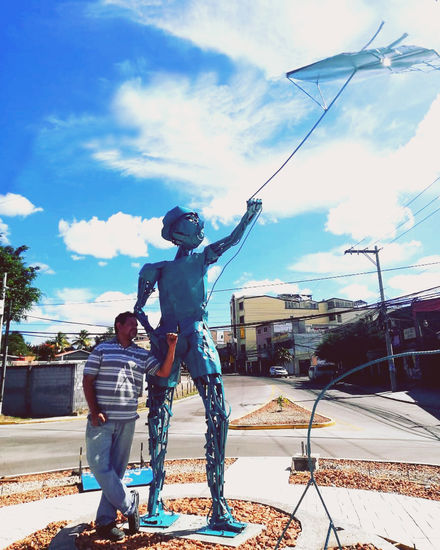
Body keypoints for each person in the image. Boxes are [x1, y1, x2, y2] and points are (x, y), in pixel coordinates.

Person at [134, 199, 262, 533]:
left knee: (218, 413)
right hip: (170, 337)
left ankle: (218, 505)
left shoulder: (199, 258)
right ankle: (154, 501)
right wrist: (150, 329)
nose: (200, 226)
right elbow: (138, 307)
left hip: (193, 333)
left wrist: (247, 217)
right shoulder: (157, 269)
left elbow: (231, 240)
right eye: (193, 221)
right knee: (157, 416)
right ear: (177, 233)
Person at [83, 311, 177, 541]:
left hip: (127, 421)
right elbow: (87, 379)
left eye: (136, 325)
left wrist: (172, 347)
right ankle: (129, 504)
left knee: (115, 472)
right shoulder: (102, 349)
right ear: (119, 326)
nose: (135, 328)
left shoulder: (141, 354)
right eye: (132, 325)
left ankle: (106, 522)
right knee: (98, 466)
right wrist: (95, 411)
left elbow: (164, 372)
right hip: (101, 420)